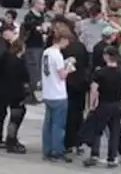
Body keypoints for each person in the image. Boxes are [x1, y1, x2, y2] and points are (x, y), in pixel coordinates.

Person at [84, 45, 121, 168]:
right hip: (117, 104)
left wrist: (92, 104)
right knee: (115, 131)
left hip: (104, 104)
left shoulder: (100, 73)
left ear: (107, 57)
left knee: (97, 130)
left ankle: (94, 154)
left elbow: (94, 90)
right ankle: (112, 157)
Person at [0, 23, 29, 153]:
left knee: (2, 112)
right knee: (4, 113)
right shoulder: (3, 49)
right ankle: (1, 139)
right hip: (8, 88)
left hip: (1, 86)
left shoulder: (5, 50)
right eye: (13, 32)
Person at [41, 28, 73, 163]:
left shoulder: (46, 52)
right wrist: (69, 67)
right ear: (63, 40)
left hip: (47, 92)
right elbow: (62, 75)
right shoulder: (57, 55)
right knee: (58, 125)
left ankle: (47, 149)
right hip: (58, 93)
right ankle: (57, 150)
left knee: (48, 123)